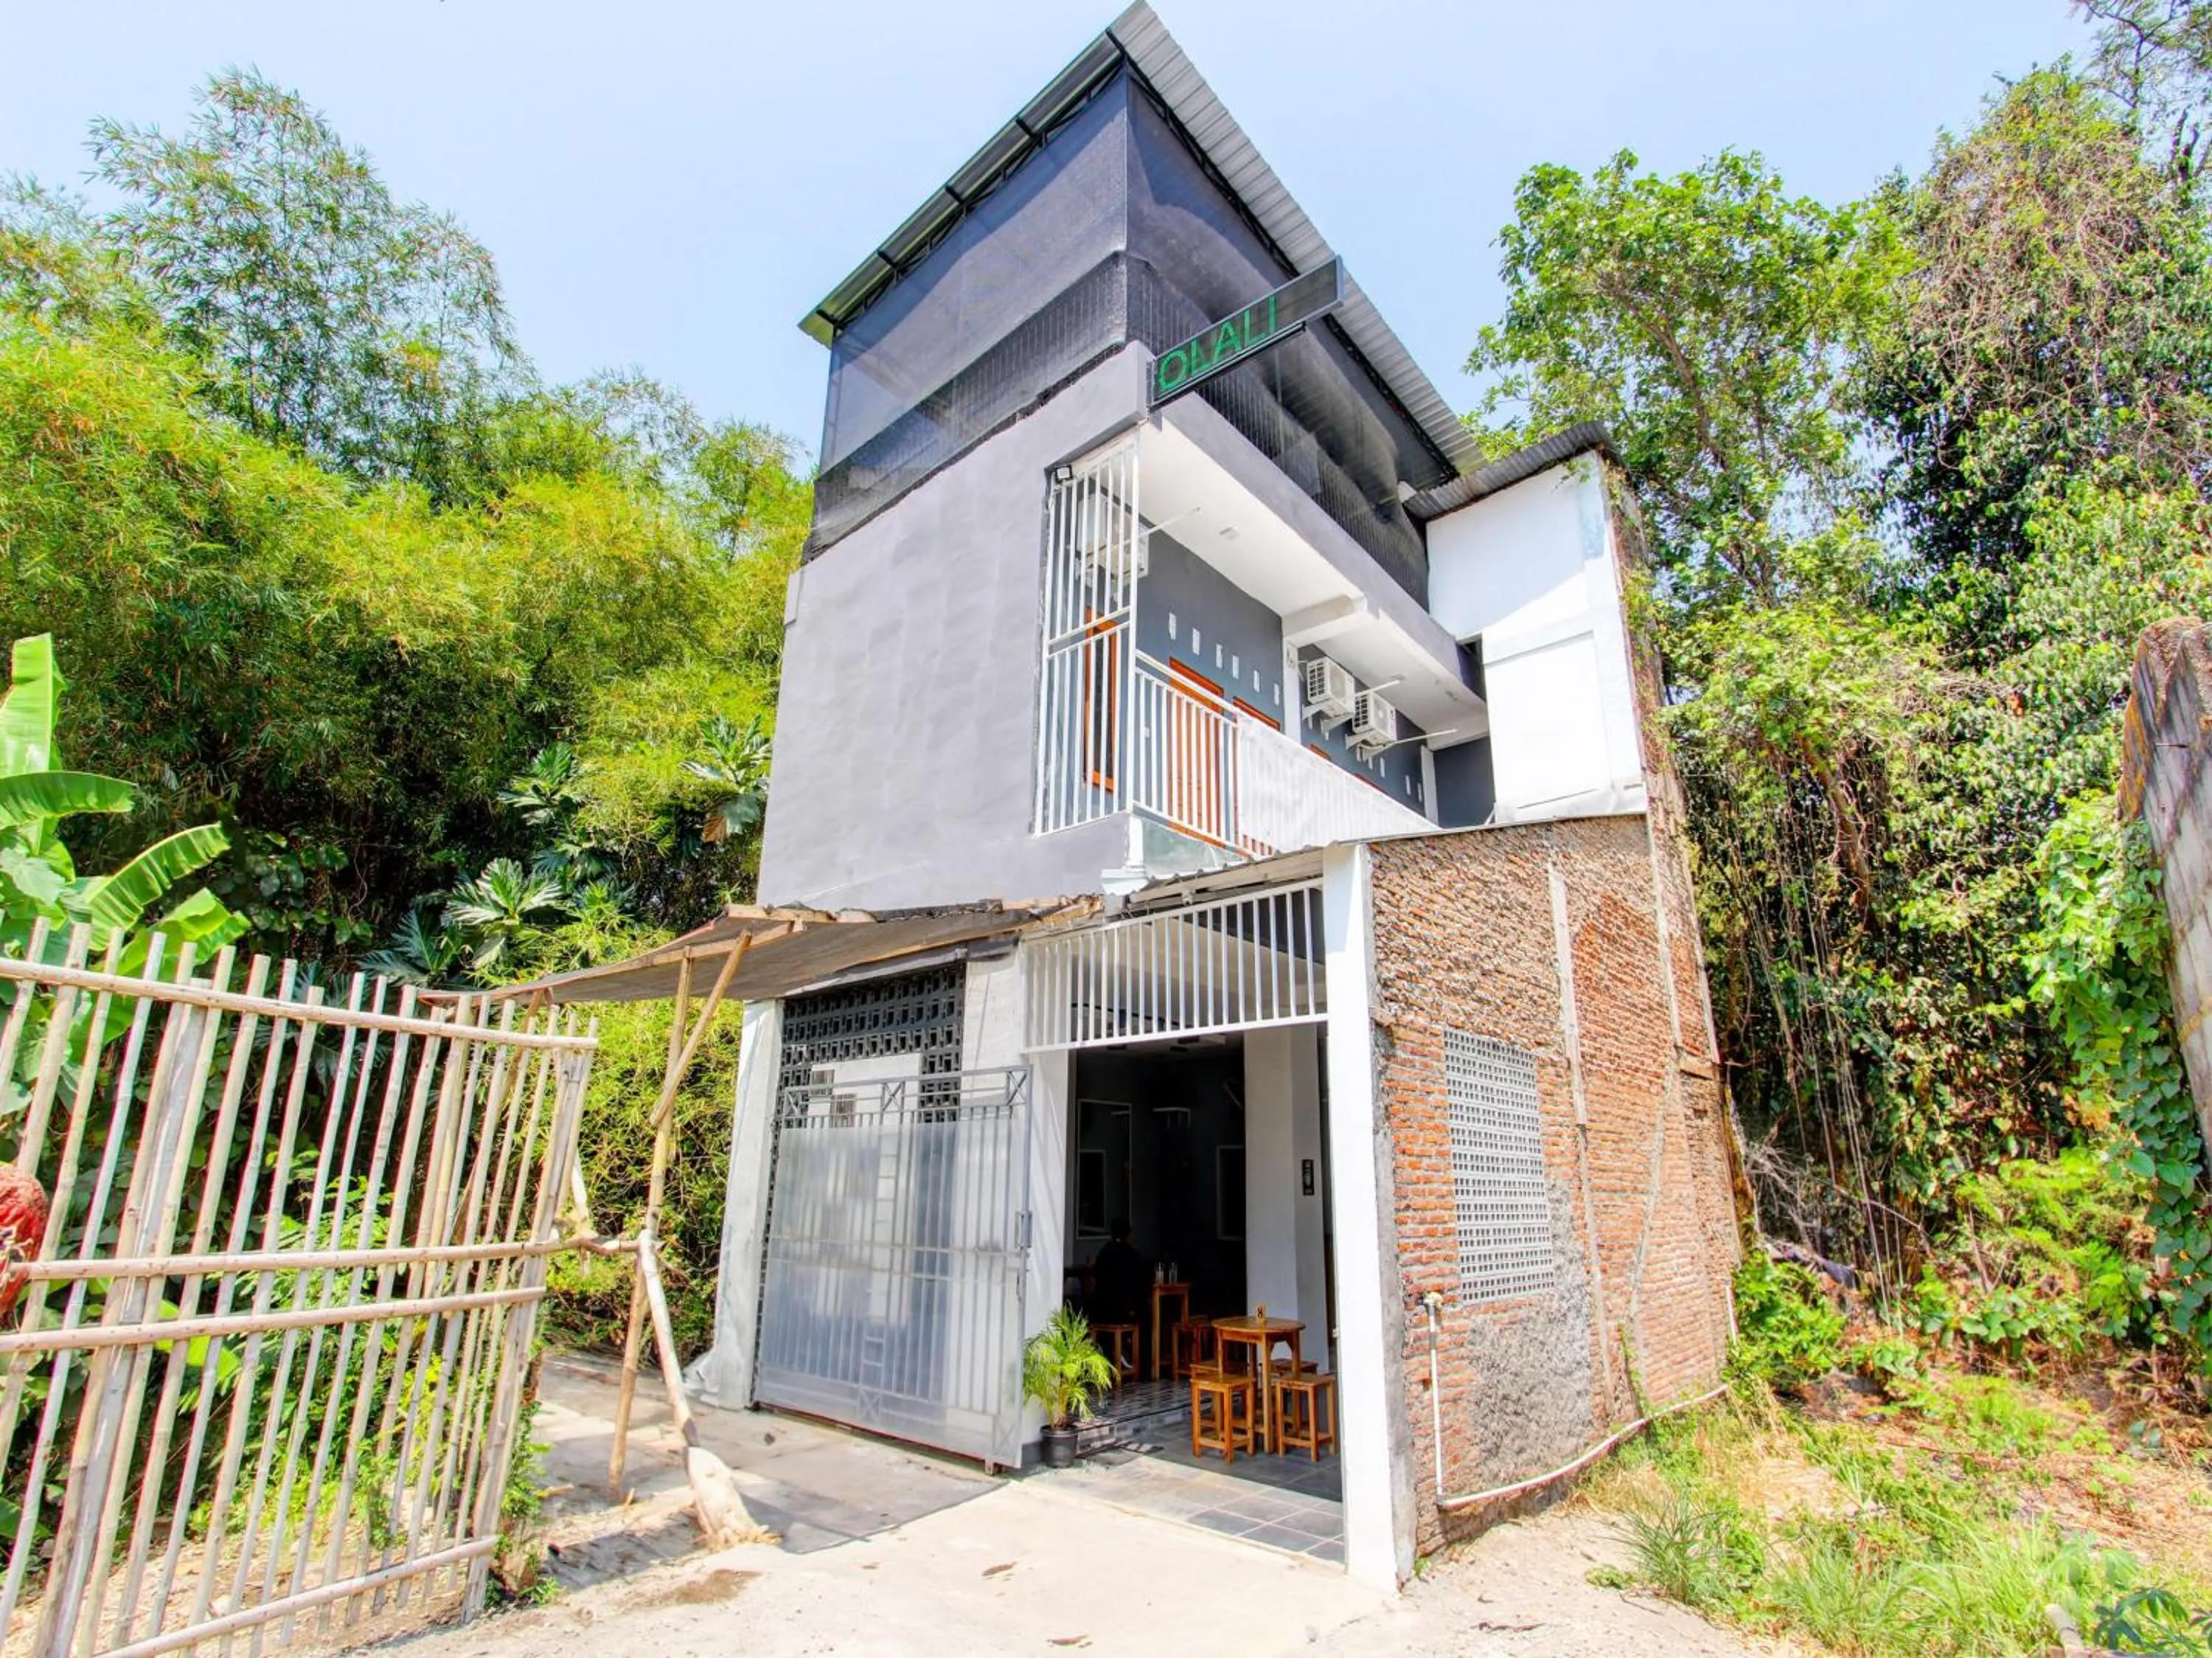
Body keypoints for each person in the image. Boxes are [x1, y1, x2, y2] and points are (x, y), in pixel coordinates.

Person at [1088, 1220, 1146, 1325]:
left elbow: (1096, 1277)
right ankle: (1132, 1340)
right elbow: (1141, 1282)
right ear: (1129, 1235)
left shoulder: (1104, 1253)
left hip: (1103, 1309)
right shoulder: (1133, 1256)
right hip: (1126, 1311)